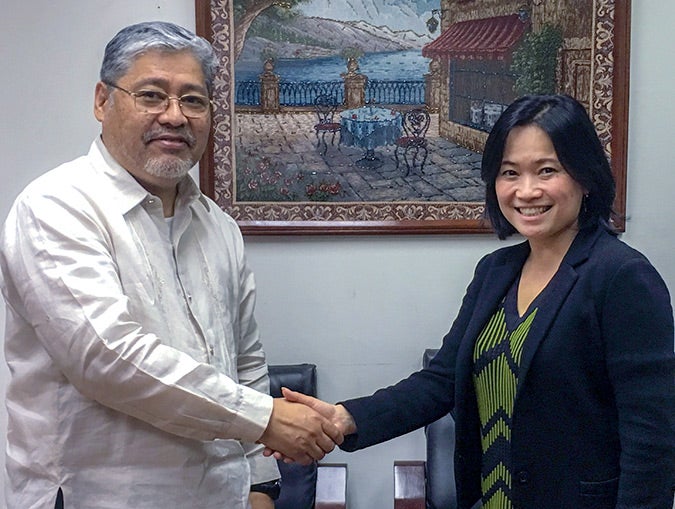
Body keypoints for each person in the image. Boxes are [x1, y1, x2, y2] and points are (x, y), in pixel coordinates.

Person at [0, 21, 342, 509]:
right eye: (152, 96)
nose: (175, 116)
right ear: (102, 101)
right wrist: (265, 419)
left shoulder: (218, 226)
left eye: (194, 100)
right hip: (96, 496)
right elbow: (107, 358)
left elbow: (244, 361)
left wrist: (261, 485)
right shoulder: (56, 207)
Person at [277, 95, 675, 508]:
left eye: (547, 170)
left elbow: (652, 441)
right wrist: (344, 419)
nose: (526, 191)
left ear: (585, 175)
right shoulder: (496, 271)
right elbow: (442, 381)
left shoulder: (621, 277)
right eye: (509, 173)